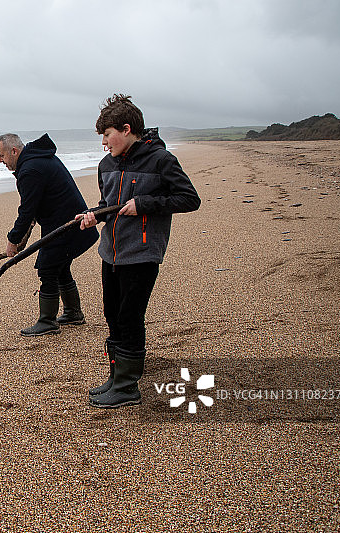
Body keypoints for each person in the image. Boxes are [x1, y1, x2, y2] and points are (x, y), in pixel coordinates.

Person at [78, 94, 201, 408]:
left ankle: (128, 387)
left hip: (142, 254)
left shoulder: (161, 160)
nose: (104, 143)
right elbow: (109, 206)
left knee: (130, 317)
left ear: (126, 128)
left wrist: (144, 204)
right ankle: (116, 376)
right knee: (112, 315)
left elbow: (189, 199)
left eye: (107, 135)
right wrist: (94, 214)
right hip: (111, 252)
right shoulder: (106, 165)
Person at [0, 133, 99, 336]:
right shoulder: (39, 159)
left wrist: (13, 240)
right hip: (68, 221)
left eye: (2, 156)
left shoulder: (31, 169)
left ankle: (47, 321)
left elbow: (26, 210)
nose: (1, 161)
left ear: (14, 151)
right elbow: (38, 200)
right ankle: (73, 313)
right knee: (59, 266)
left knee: (48, 269)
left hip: (65, 225)